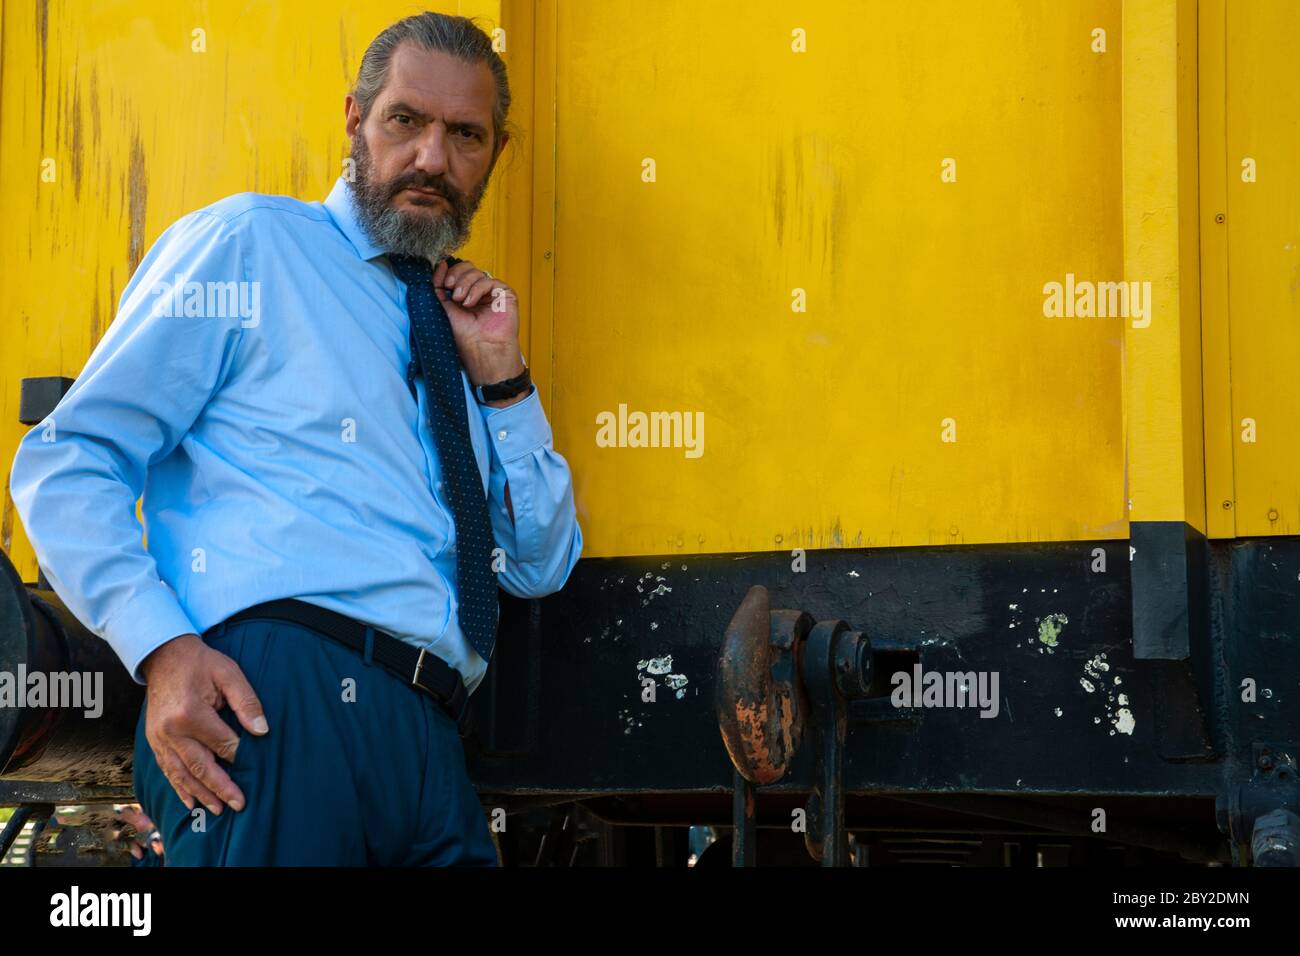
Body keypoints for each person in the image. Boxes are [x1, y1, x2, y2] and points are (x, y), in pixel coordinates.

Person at [9, 11, 582, 866]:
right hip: (278, 706)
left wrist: (501, 377)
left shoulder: (455, 330)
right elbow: (70, 458)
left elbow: (539, 563)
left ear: (494, 156)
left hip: (430, 736)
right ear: (355, 118)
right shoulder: (252, 245)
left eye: (465, 134)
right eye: (406, 121)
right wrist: (161, 649)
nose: (432, 158)